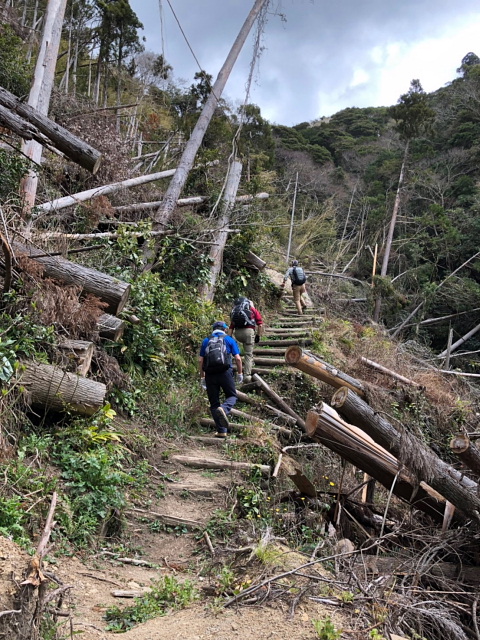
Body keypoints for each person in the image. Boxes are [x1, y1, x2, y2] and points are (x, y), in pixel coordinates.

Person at [199, 321, 243, 438]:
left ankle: (221, 430)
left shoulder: (206, 341)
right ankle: (224, 409)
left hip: (210, 374)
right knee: (232, 396)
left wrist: (202, 377)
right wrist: (240, 373)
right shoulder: (228, 339)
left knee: (214, 403)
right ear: (224, 329)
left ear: (213, 329)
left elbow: (201, 361)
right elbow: (238, 359)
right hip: (225, 372)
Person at [228, 297, 264, 384]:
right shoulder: (252, 309)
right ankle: (247, 376)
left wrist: (229, 339)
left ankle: (233, 370)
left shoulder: (235, 311)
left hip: (237, 333)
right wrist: (258, 335)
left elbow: (231, 327)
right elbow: (260, 325)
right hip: (248, 333)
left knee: (237, 352)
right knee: (248, 354)